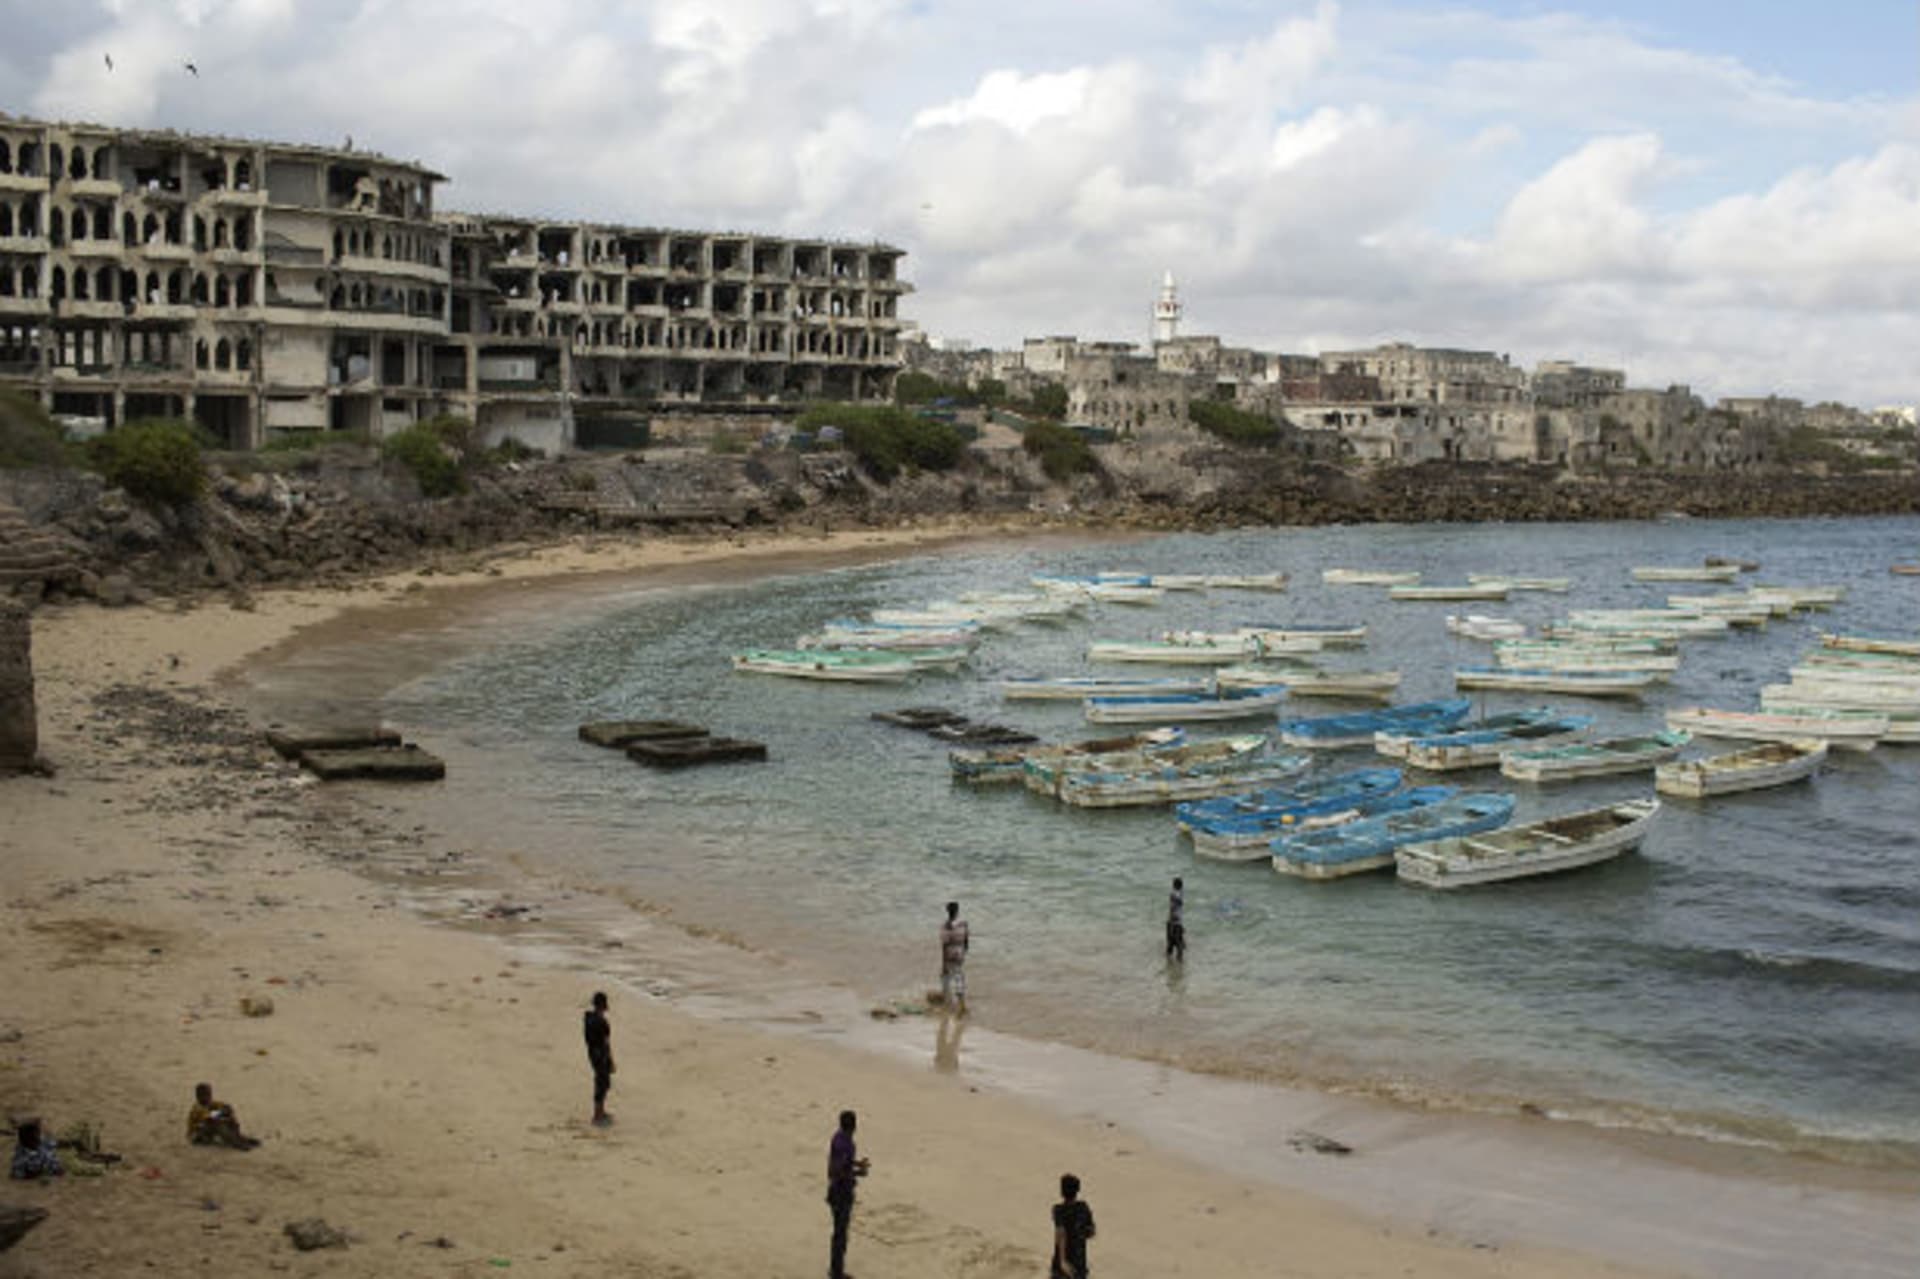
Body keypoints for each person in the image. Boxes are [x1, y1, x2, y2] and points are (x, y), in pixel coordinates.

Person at [825, 1109, 869, 1279]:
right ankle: (837, 1272)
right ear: (854, 1126)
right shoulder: (847, 1144)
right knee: (840, 1234)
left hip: (836, 1191)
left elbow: (841, 1164)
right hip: (841, 1193)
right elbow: (837, 1170)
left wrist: (858, 1164)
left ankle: (835, 1269)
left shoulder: (838, 1137)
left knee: (839, 1232)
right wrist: (858, 1173)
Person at [186, 1083, 259, 1149]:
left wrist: (228, 1112)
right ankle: (235, 1142)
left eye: (209, 1094)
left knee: (227, 1118)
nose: (209, 1097)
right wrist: (222, 1112)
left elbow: (225, 1107)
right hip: (196, 1135)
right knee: (217, 1123)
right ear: (198, 1096)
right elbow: (208, 1117)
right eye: (206, 1095)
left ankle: (239, 1137)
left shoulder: (210, 1103)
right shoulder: (197, 1108)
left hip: (206, 1130)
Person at [1051, 1172, 1096, 1279]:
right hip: (1080, 1260)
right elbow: (1091, 1232)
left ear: (1062, 1192)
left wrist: (1062, 1261)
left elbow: (1061, 1234)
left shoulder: (1058, 1210)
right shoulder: (1083, 1207)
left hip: (1063, 1259)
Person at [584, 991, 614, 1127]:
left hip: (592, 1054)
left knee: (600, 1081)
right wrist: (610, 1061)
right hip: (601, 1055)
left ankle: (600, 1111)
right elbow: (606, 1044)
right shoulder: (602, 1023)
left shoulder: (588, 1019)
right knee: (603, 1083)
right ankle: (598, 1114)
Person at [939, 900, 970, 1016]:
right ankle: (962, 1005)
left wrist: (943, 964)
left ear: (948, 912)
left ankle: (948, 1003)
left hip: (950, 954)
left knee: (945, 978)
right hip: (960, 952)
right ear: (957, 911)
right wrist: (964, 950)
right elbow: (966, 939)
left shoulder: (945, 926)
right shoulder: (964, 924)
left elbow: (944, 946)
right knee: (959, 977)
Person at [1166, 877, 1186, 962]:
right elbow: (1179, 904)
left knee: (1172, 940)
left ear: (1174, 885)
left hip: (1174, 920)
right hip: (1177, 920)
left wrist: (1171, 918)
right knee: (1176, 940)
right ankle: (1178, 959)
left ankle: (1174, 958)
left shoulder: (1175, 894)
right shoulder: (1179, 893)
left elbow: (1175, 906)